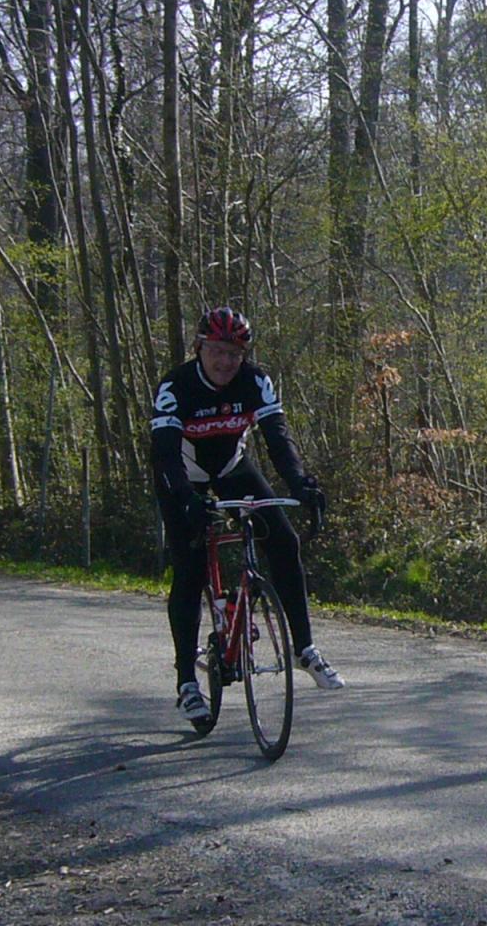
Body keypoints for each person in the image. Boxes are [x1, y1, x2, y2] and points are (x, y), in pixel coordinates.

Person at [150, 306, 345, 723]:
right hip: (182, 475)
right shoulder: (176, 386)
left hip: (232, 467)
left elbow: (278, 439)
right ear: (199, 348)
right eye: (217, 351)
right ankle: (187, 683)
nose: (226, 362)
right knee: (191, 569)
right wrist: (186, 499)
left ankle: (304, 648)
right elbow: (164, 454)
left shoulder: (255, 381)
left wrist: (300, 484)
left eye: (235, 354)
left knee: (284, 540)